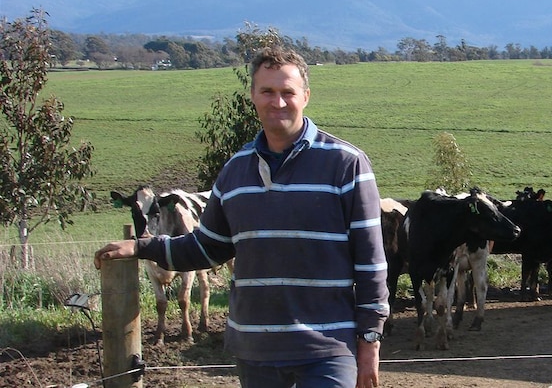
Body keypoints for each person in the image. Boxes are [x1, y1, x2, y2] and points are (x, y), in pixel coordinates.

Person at [95, 45, 390, 388]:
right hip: (256, 349)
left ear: (306, 96)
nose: (277, 102)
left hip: (327, 348)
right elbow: (207, 249)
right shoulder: (235, 171)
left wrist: (369, 340)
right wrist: (142, 247)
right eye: (267, 91)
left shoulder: (347, 165)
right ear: (252, 96)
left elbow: (371, 262)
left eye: (287, 92)